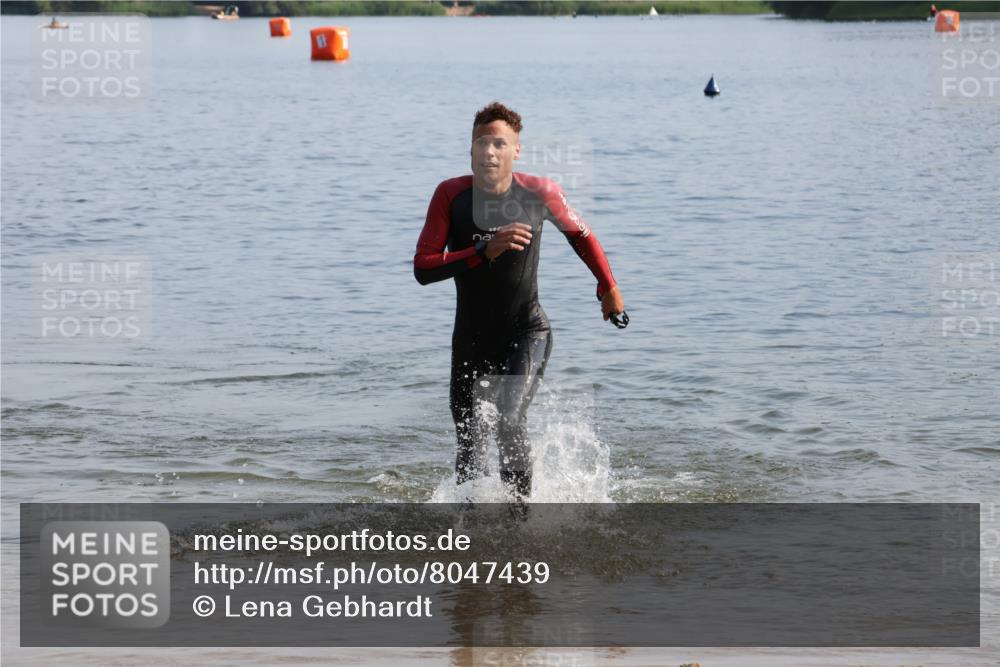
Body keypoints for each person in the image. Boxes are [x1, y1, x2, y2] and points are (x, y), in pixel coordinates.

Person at [413, 102, 626, 500]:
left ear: (516, 151)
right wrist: (481, 251)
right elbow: (423, 268)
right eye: (481, 142)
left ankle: (520, 525)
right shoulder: (450, 195)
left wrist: (607, 286)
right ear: (470, 148)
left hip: (526, 331)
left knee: (509, 421)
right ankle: (471, 533)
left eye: (499, 143)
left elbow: (581, 235)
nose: (489, 151)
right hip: (471, 340)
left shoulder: (538, 193)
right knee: (470, 440)